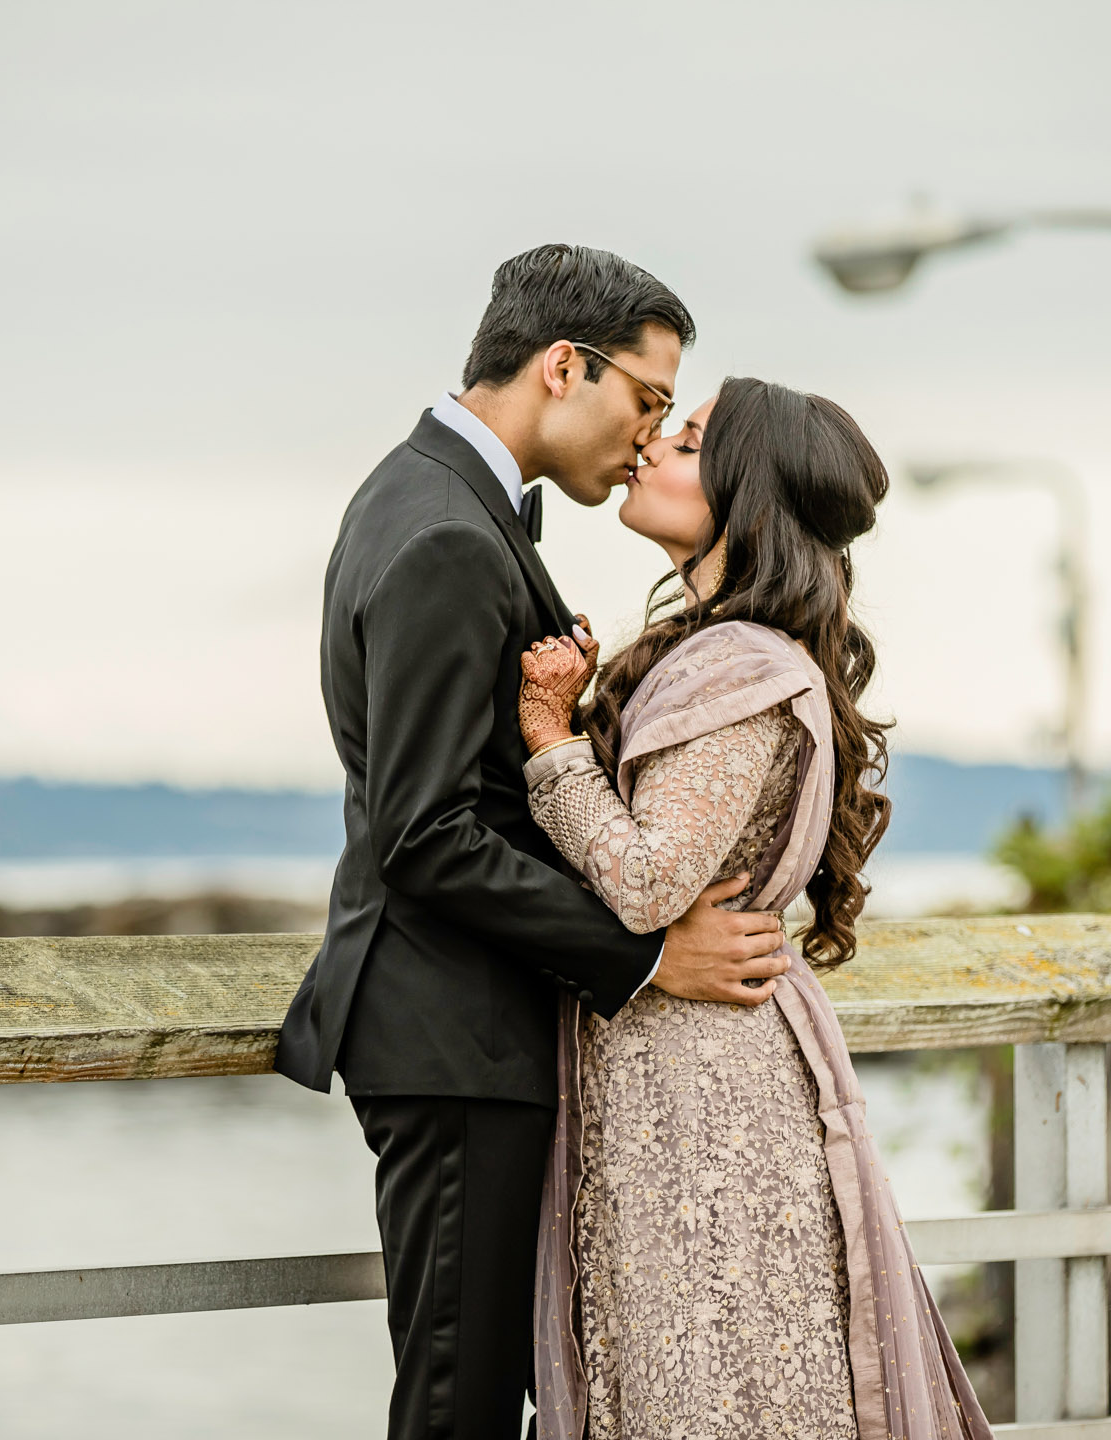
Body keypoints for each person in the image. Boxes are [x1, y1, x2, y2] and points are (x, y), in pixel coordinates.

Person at [274, 245, 792, 1440]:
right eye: (649, 401)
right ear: (566, 366)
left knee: (480, 1389)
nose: (649, 437)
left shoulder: (430, 498)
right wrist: (654, 959)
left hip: (464, 1030)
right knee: (459, 1405)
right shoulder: (449, 532)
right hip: (452, 1034)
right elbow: (427, 833)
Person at [516, 377, 994, 1440]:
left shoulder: (740, 667)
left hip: (703, 1095)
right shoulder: (723, 652)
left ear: (747, 494)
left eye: (685, 440)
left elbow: (644, 880)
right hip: (685, 1068)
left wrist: (550, 740)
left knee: (711, 1385)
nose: (649, 449)